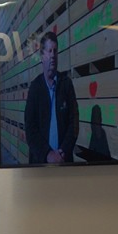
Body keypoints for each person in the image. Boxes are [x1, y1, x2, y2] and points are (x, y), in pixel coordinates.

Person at [23, 30, 78, 164]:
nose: (53, 55)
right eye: (49, 51)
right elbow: (30, 128)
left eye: (55, 51)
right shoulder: (35, 88)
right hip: (40, 164)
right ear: (42, 56)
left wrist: (63, 152)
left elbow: (74, 123)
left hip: (64, 162)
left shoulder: (66, 85)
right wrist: (47, 154)